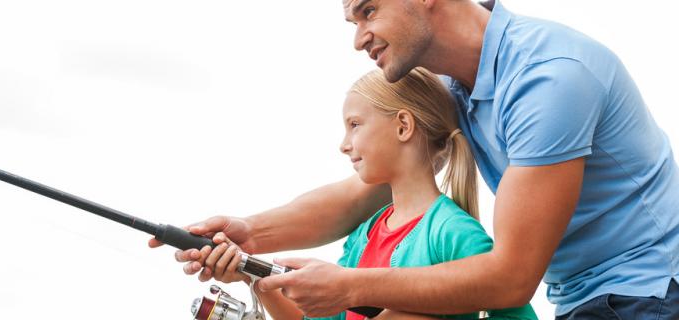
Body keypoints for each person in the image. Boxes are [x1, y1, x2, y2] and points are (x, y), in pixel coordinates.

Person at [152, 0, 679, 318]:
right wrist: (250, 236)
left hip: (650, 296)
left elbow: (513, 277)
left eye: (368, 10)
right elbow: (370, 191)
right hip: (594, 301)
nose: (359, 38)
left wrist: (349, 285)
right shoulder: (459, 85)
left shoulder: (548, 79)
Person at [204, 68, 537, 320]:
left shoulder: (454, 233)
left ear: (403, 126)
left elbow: (514, 311)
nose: (344, 144)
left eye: (355, 124)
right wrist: (257, 277)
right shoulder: (364, 235)